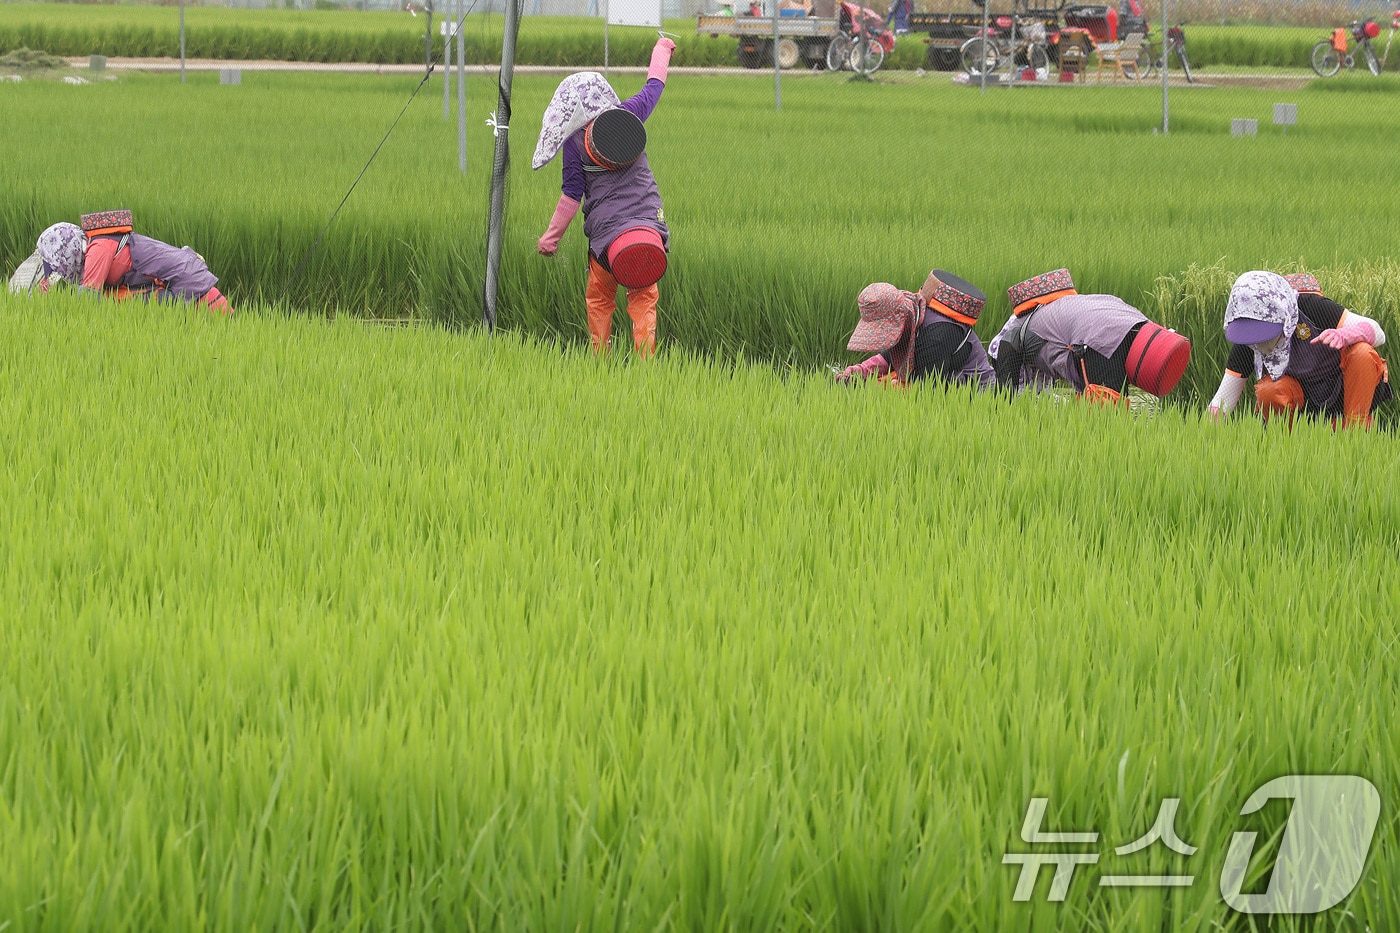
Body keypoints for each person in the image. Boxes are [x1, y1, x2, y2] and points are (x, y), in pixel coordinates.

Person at [534, 38, 676, 356]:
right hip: (648, 231)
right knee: (643, 299)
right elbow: (654, 86)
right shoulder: (629, 115)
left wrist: (550, 239)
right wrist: (662, 49)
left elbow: (571, 196)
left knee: (600, 299)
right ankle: (646, 364)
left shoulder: (574, 144)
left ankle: (601, 360)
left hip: (606, 242)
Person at [1209, 270, 1390, 428]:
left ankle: (1355, 433)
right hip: (1299, 403)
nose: (1260, 345)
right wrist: (1206, 433)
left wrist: (1347, 335)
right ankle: (1285, 442)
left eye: (1265, 335)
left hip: (1343, 389)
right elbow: (1223, 399)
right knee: (1270, 391)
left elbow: (1378, 332)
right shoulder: (1248, 341)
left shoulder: (1311, 307)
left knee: (1362, 352)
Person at [989, 268, 1191, 402]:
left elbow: (1009, 348)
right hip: (1142, 335)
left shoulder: (1016, 328)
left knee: (1102, 422)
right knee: (1113, 415)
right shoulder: (1073, 305)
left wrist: (1002, 404)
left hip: (1096, 343)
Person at [35, 211, 232, 312]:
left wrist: (56, 311)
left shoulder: (99, 248)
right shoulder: (97, 245)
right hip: (185, 282)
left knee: (111, 302)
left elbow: (86, 301)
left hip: (187, 286)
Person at [837, 269, 996, 389]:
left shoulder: (937, 336)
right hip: (938, 382)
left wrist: (870, 388)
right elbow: (891, 356)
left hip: (972, 395)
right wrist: (860, 371)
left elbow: (924, 390)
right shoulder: (913, 315)